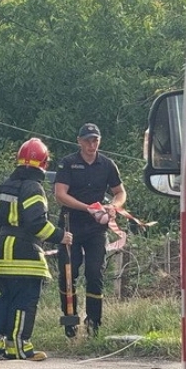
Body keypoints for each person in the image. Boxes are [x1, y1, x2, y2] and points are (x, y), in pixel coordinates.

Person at [0, 138, 72, 361]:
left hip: (3, 250)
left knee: (6, 297)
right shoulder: (34, 188)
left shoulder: (5, 186)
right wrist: (61, 236)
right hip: (25, 254)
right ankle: (20, 347)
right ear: (44, 164)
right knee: (25, 301)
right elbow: (36, 223)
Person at [54, 123, 127, 337]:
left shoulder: (107, 164)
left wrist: (113, 206)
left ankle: (94, 323)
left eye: (95, 140)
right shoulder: (68, 163)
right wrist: (87, 208)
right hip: (71, 225)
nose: (91, 144)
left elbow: (120, 192)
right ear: (79, 141)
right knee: (69, 273)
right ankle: (70, 320)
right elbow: (60, 194)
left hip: (96, 227)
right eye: (87, 140)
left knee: (95, 273)